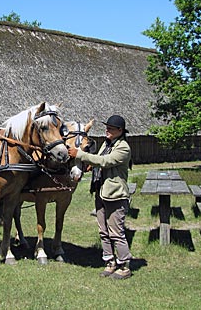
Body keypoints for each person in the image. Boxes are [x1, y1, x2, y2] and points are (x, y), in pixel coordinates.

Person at [68, 115, 132, 279]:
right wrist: (92, 165)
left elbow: (106, 161)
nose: (107, 130)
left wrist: (80, 154)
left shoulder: (123, 148)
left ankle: (124, 266)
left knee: (116, 232)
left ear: (120, 131)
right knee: (104, 231)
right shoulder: (107, 143)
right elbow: (99, 160)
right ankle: (110, 262)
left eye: (111, 128)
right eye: (107, 127)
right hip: (101, 192)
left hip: (115, 195)